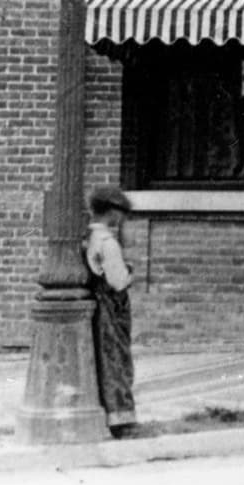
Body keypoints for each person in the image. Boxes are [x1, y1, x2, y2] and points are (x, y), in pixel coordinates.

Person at [83, 185, 137, 436]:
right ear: (112, 212)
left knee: (104, 360)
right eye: (121, 212)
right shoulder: (108, 243)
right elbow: (118, 281)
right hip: (113, 306)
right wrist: (129, 273)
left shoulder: (89, 238)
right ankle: (121, 418)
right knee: (117, 360)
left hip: (98, 304)